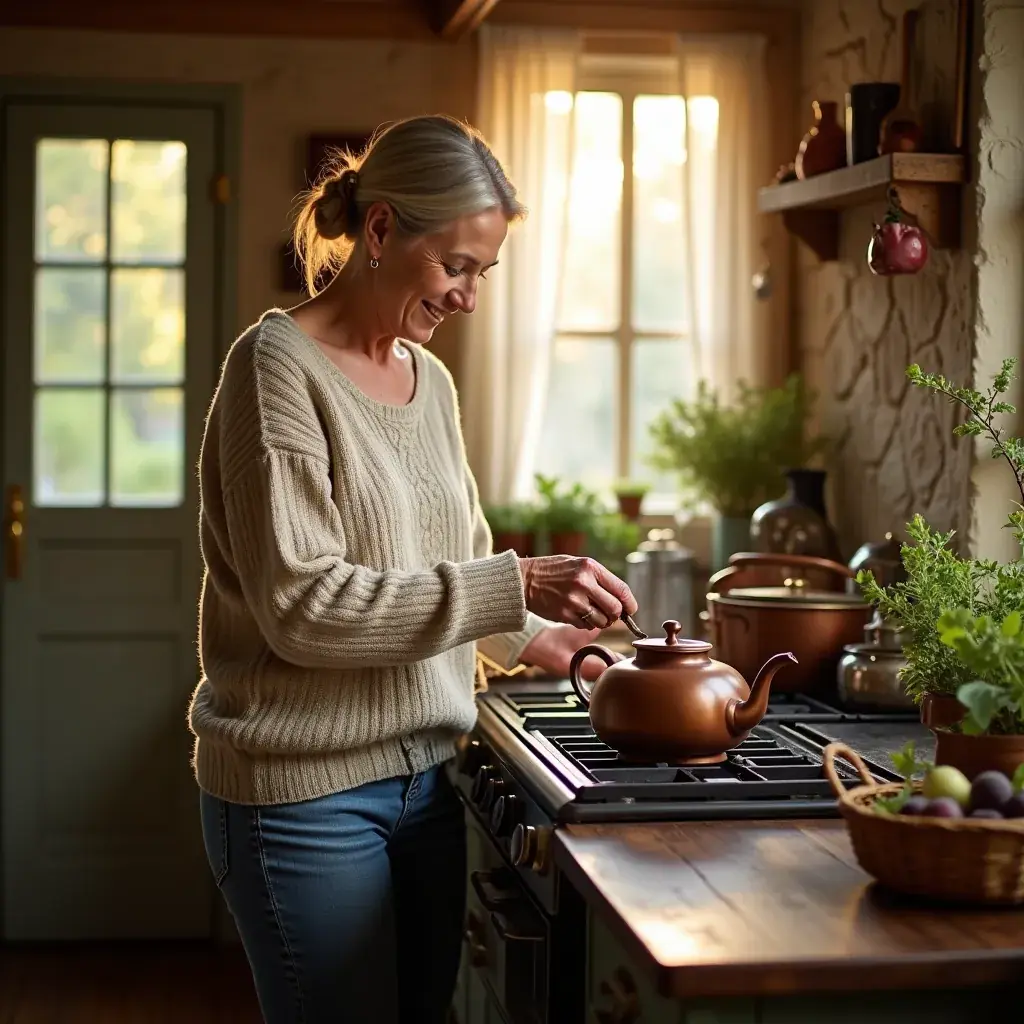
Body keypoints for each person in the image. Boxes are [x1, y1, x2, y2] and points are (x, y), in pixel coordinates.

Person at [189, 113, 636, 1024]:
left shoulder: (433, 386)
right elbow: (305, 609)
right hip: (301, 800)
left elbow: (459, 569)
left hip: (430, 782)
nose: (468, 297)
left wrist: (561, 645)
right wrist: (519, 582)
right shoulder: (275, 371)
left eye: (483, 273)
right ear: (383, 229)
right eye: (456, 266)